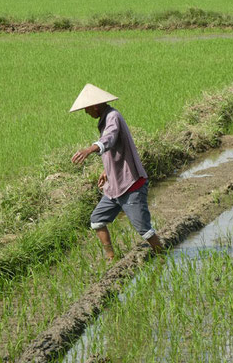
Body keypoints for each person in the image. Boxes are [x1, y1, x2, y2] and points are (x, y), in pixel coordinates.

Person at [69, 84, 163, 261]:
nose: (86, 113)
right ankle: (111, 258)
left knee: (144, 230)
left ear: (95, 106)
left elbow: (109, 139)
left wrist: (89, 150)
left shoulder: (113, 117)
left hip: (131, 185)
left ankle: (163, 256)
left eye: (87, 109)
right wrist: (107, 170)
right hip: (115, 185)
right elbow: (114, 148)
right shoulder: (104, 119)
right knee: (97, 220)